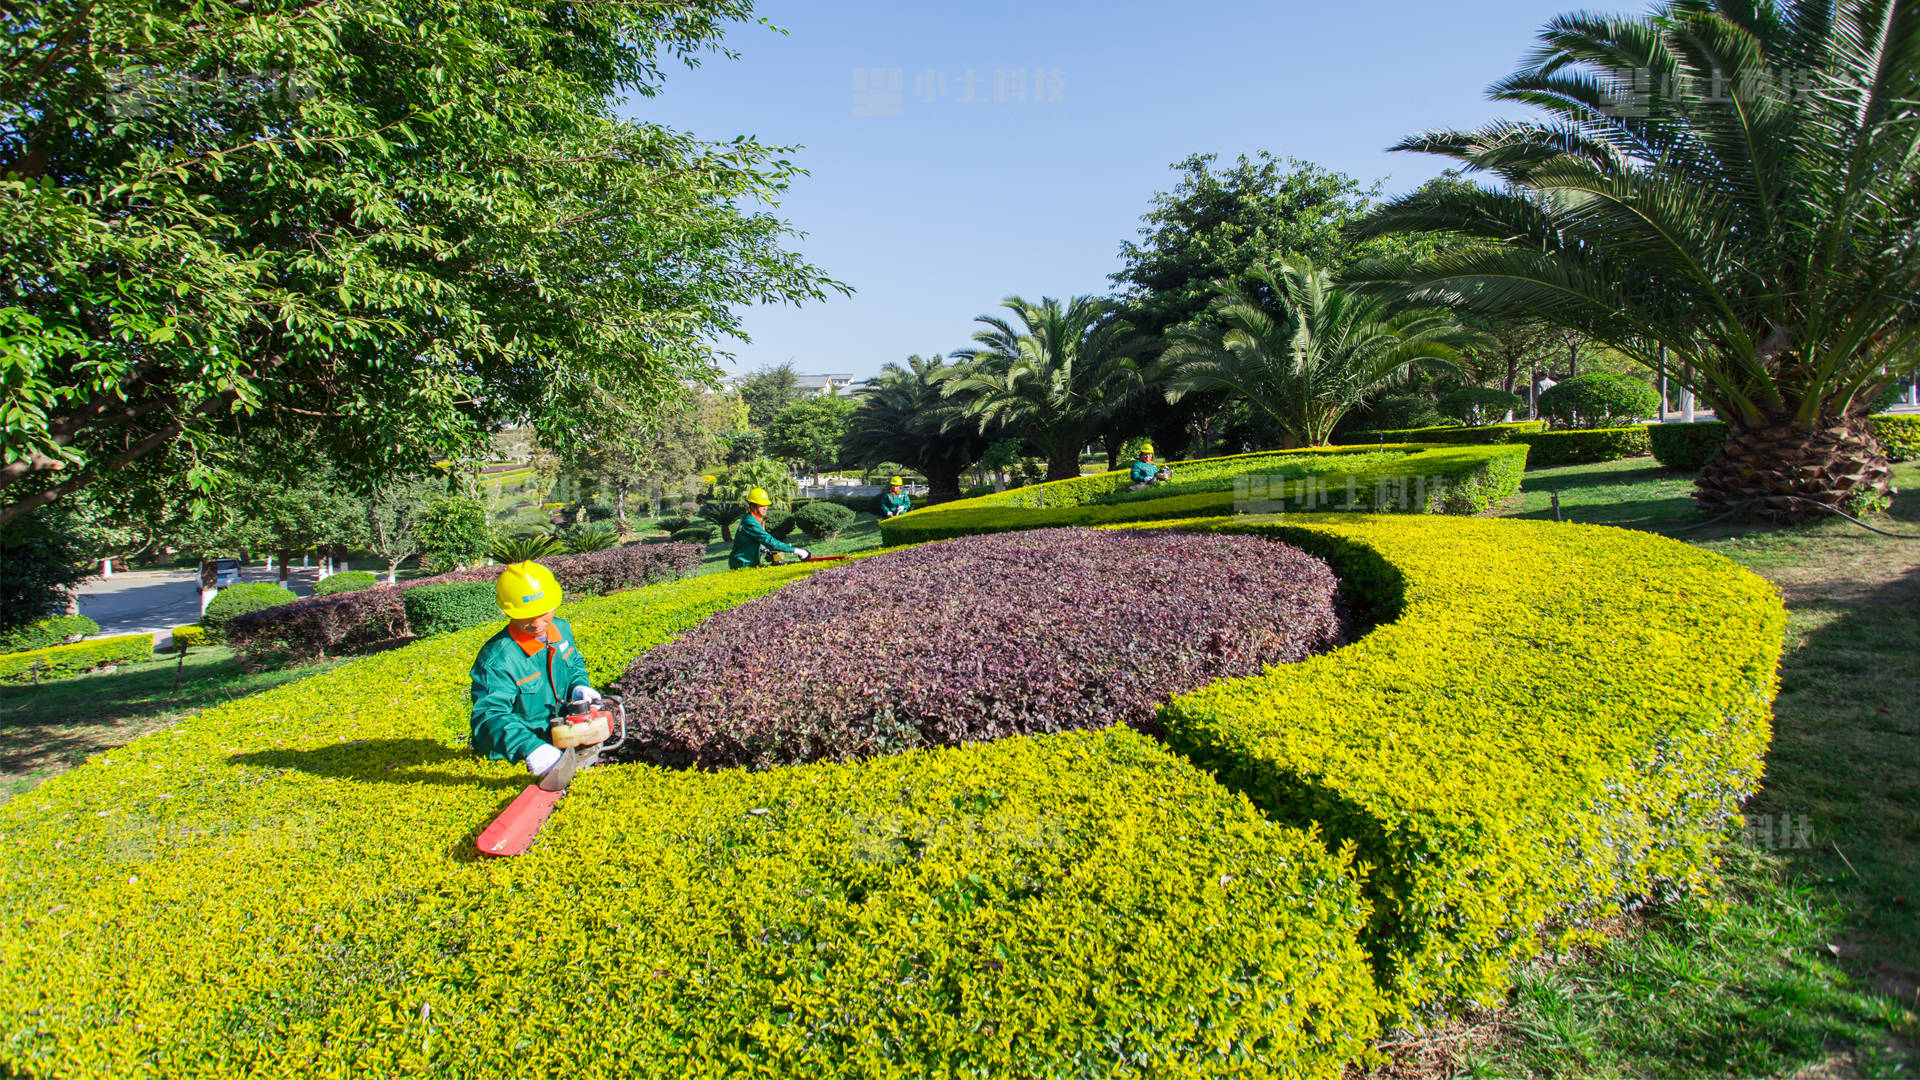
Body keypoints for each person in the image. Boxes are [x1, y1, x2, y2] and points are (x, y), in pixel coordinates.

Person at [469, 561, 608, 779]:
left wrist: (579, 686)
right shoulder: (498, 659)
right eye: (526, 616)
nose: (536, 624)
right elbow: (488, 717)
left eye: (543, 613)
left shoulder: (561, 629)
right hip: (516, 757)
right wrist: (529, 748)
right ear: (508, 612)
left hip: (558, 742)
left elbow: (574, 666)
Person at [728, 487, 810, 570]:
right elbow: (769, 541)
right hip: (743, 564)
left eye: (766, 505)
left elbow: (754, 540)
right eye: (762, 505)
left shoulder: (754, 519)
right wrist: (797, 551)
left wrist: (765, 549)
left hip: (748, 563)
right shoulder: (750, 522)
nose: (765, 507)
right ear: (752, 505)